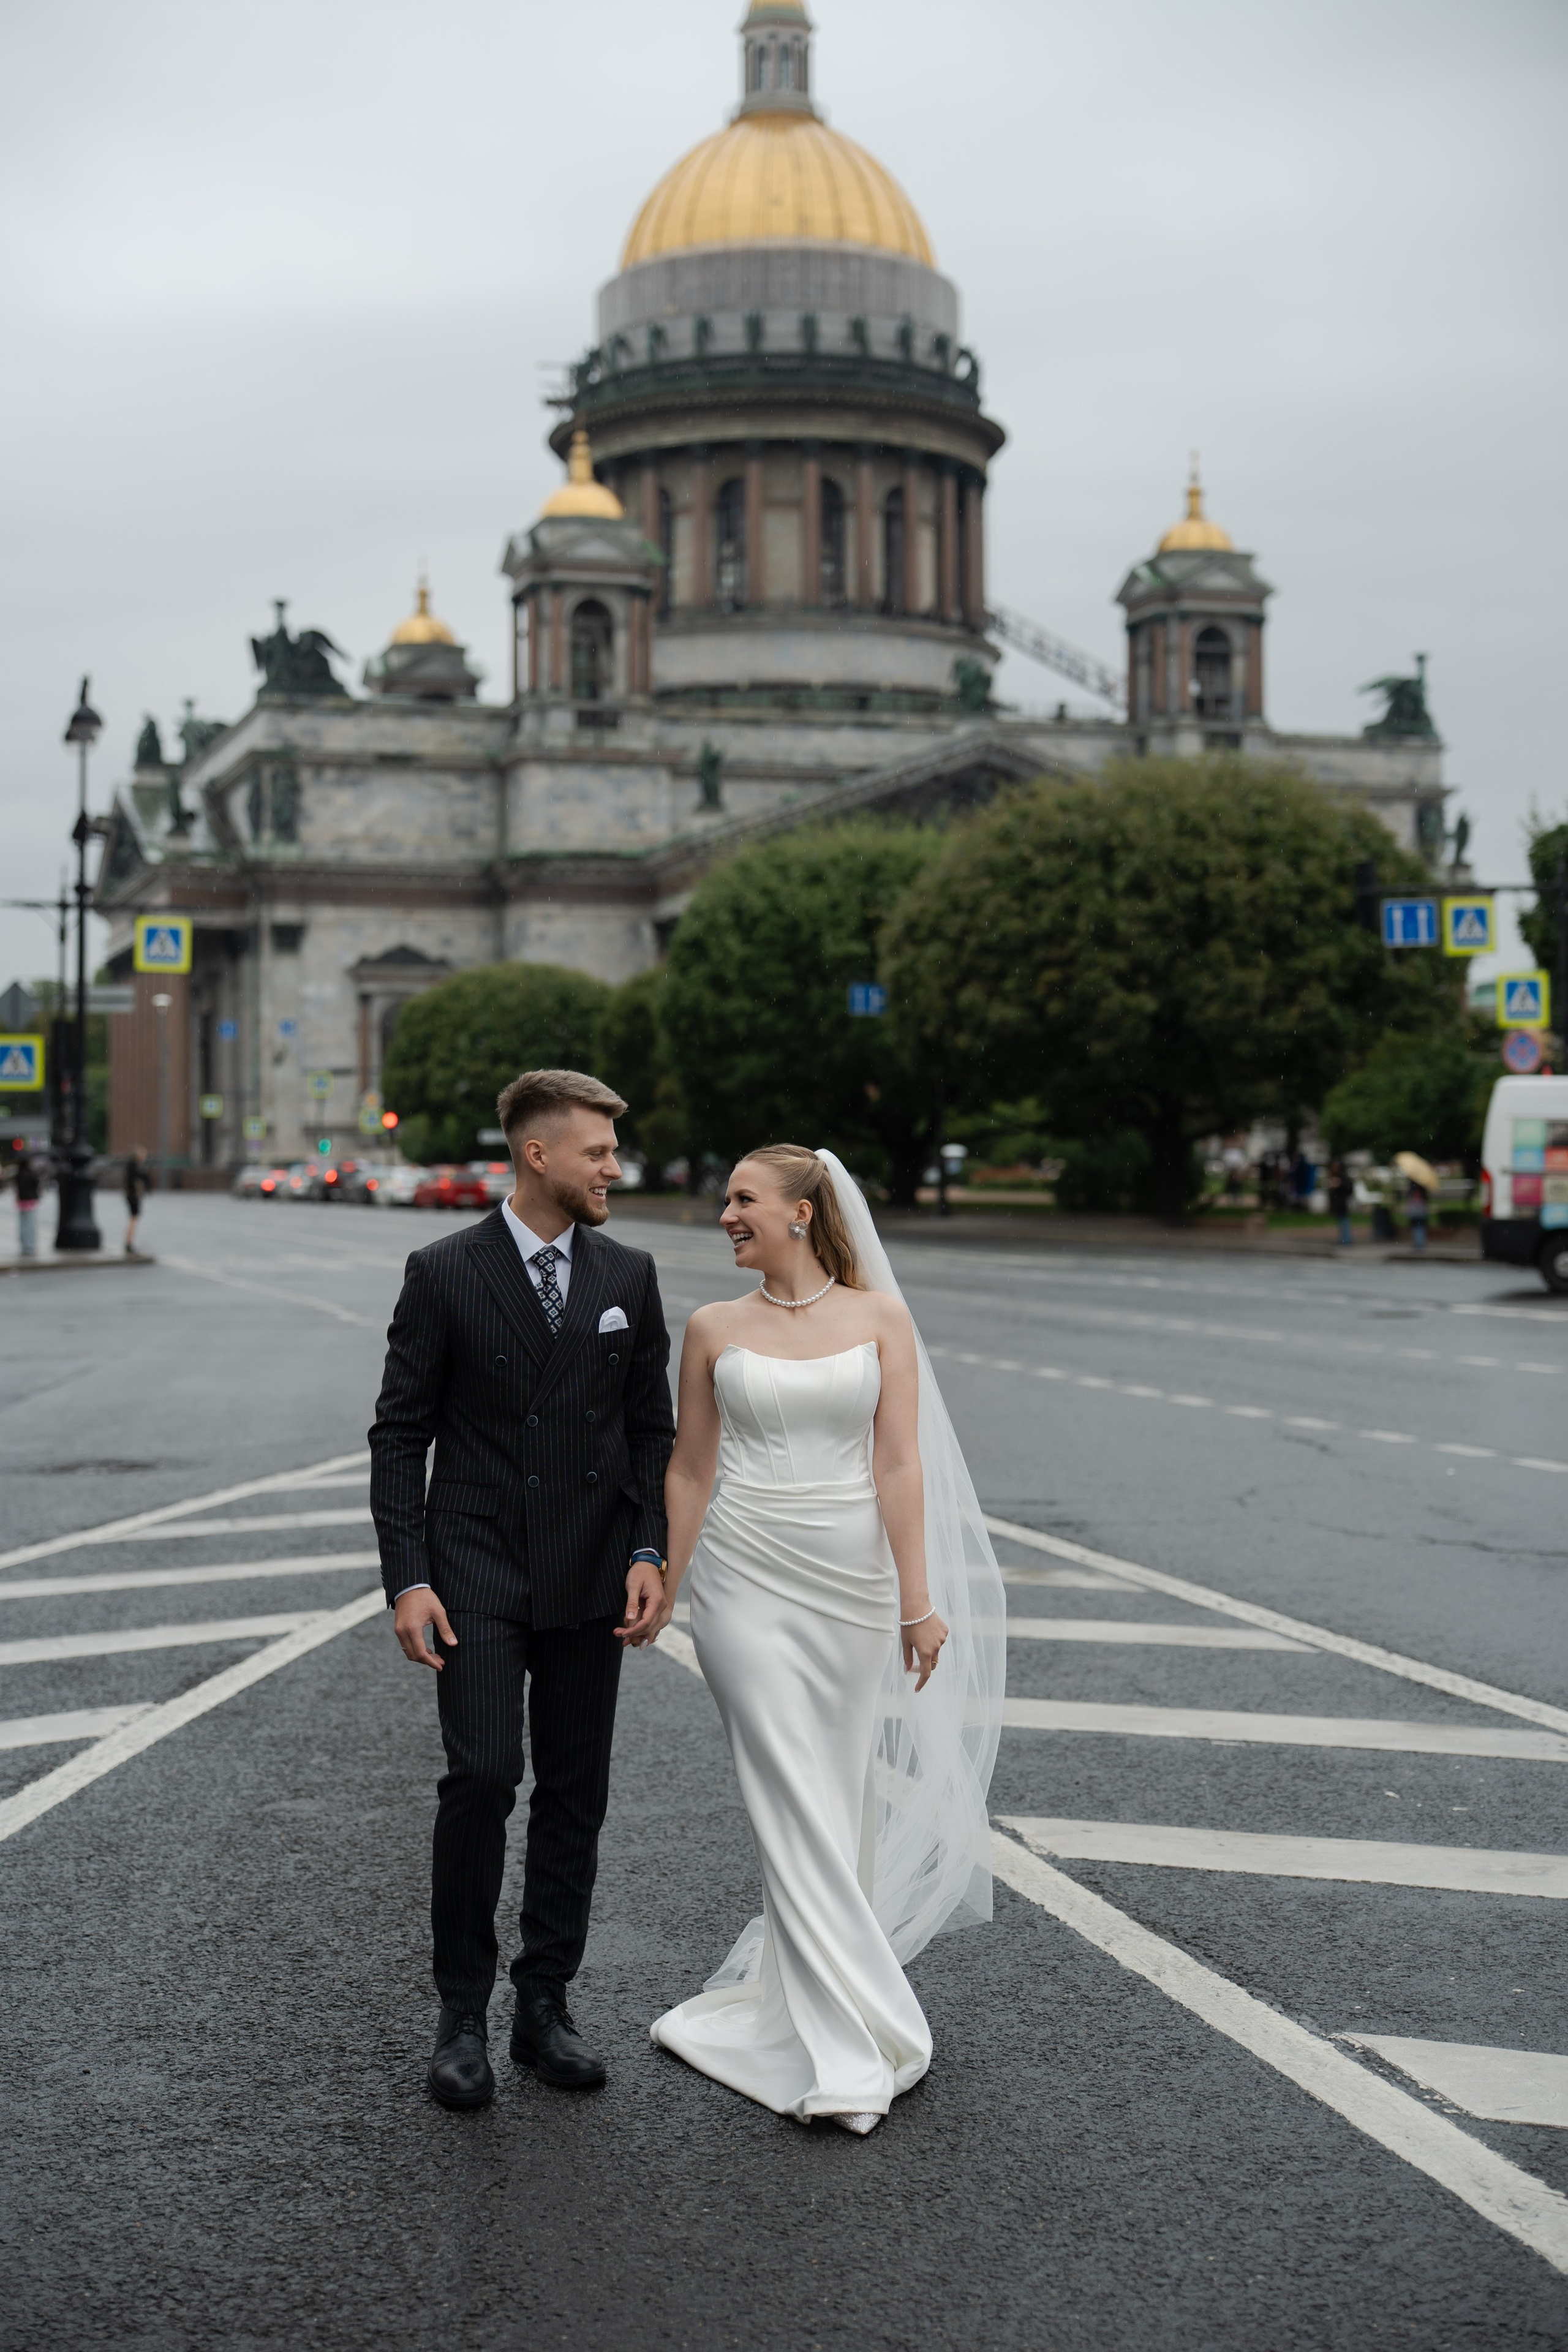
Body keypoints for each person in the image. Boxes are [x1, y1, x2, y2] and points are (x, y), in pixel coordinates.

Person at [640, 1145, 1005, 2136]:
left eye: (743, 1200)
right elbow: (688, 1467)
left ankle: (804, 2009)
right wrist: (667, 1587)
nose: (725, 1215)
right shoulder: (714, 1327)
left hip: (851, 1585)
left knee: (838, 1800)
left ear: (804, 1215)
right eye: (726, 1200)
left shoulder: (881, 1319)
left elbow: (898, 1466)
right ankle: (855, 2037)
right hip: (741, 1580)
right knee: (788, 1795)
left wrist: (918, 1603)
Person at [369, 1068, 674, 2113]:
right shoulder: (445, 1270)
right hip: (477, 1567)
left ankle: (544, 2005)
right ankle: (461, 2013)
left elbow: (651, 1433)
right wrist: (407, 1577)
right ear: (538, 1155)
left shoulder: (627, 1274)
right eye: (598, 1152)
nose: (614, 1169)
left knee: (576, 1793)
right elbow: (401, 1433)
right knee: (486, 1775)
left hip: (593, 1567)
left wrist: (650, 1551)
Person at [124, 1147, 150, 1255]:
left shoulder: (132, 1167)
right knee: (134, 1219)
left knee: (133, 1219)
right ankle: (129, 1243)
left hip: (132, 1196)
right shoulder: (134, 1167)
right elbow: (139, 1179)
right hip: (133, 1196)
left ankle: (129, 1242)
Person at [14, 1153, 41, 1258]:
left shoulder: (19, 1174)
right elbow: (36, 1184)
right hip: (31, 1202)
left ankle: (24, 1246)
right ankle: (31, 1246)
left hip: (22, 1202)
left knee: (23, 1225)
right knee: (31, 1225)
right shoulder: (31, 1173)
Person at [1327, 1158, 1354, 1248]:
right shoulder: (1337, 1177)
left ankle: (1346, 1240)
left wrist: (1339, 1185)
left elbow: (1348, 1189)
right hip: (1338, 1204)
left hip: (1342, 1204)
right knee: (1342, 1221)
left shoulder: (1343, 1178)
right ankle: (1344, 1239)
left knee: (1344, 1221)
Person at [1406, 1177, 1429, 1252]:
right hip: (1421, 1211)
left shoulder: (1413, 1189)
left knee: (1417, 1227)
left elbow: (1412, 1199)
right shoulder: (1423, 1187)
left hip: (1416, 1211)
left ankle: (1419, 1243)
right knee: (1420, 1227)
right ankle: (1419, 1243)